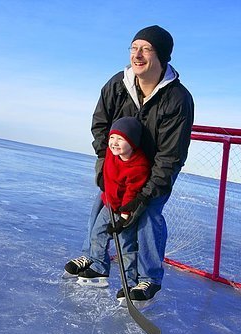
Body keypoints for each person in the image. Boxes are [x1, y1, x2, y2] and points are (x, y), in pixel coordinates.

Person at [65, 25, 194, 302]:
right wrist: (105, 161)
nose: (138, 54)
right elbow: (101, 123)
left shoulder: (178, 98)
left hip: (154, 172)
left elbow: (171, 155)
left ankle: (147, 279)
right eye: (134, 48)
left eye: (146, 49)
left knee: (146, 216)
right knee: (103, 205)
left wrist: (143, 197)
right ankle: (97, 262)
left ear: (162, 57)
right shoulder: (118, 84)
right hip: (118, 166)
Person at [64, 117, 150, 289]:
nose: (114, 143)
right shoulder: (111, 154)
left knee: (125, 245)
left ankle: (131, 283)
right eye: (112, 137)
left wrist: (124, 218)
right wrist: (102, 180)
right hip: (109, 203)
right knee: (97, 233)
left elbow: (132, 192)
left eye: (120, 139)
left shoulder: (139, 166)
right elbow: (105, 168)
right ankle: (99, 267)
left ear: (132, 142)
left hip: (126, 210)